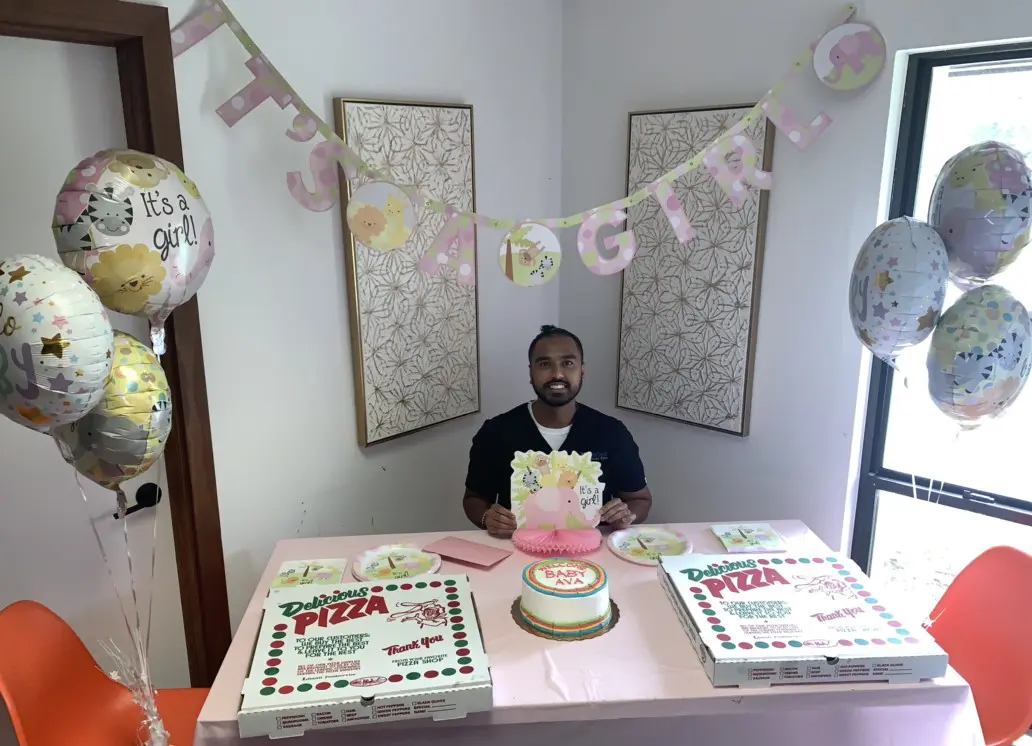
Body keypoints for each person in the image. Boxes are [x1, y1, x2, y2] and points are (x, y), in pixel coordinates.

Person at [463, 325, 652, 537]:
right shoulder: (496, 432)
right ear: (531, 372)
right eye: (544, 364)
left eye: (568, 363)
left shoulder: (612, 433)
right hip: (517, 551)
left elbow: (640, 499)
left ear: (582, 370)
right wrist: (487, 517)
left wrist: (628, 515)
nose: (557, 374)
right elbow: (473, 498)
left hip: (593, 552)